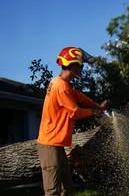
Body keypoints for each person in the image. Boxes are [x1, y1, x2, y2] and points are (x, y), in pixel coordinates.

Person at [37, 47, 107, 196]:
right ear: (73, 64)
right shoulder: (60, 87)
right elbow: (74, 112)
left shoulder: (62, 83)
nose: (82, 68)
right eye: (80, 65)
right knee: (52, 191)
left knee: (67, 188)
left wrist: (97, 106)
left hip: (56, 144)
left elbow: (80, 97)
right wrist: (94, 112)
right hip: (50, 144)